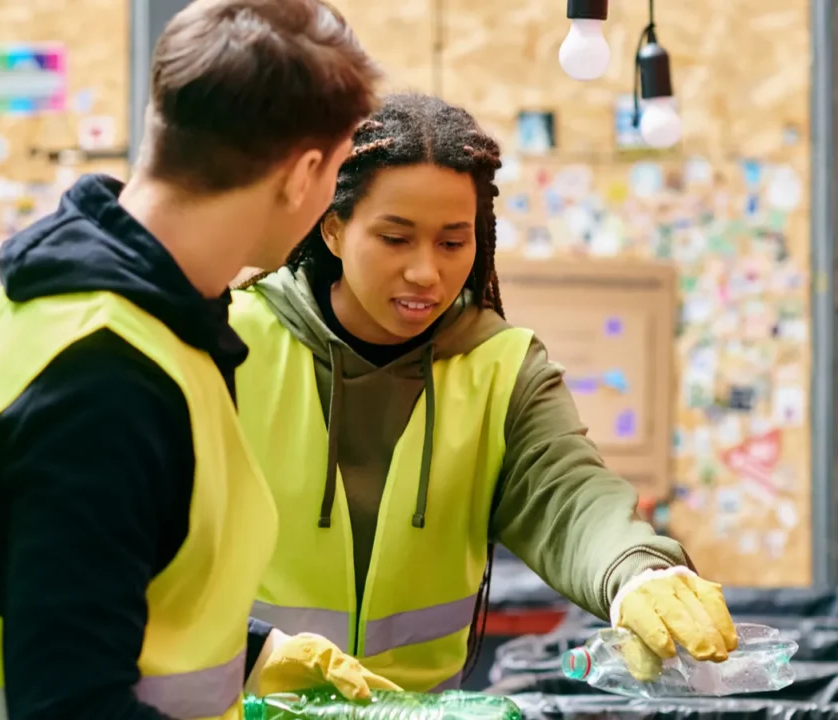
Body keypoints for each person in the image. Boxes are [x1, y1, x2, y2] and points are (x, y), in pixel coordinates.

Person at [0, 1, 400, 718]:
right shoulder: (105, 378)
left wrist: (249, 650)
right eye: (338, 169)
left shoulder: (103, 308)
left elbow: (92, 585)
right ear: (301, 174)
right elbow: (71, 702)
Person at [230, 92, 737, 693]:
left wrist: (637, 571)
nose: (427, 272)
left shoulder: (501, 366)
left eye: (452, 242)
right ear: (334, 229)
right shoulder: (232, 342)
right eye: (396, 239)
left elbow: (569, 492)